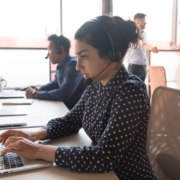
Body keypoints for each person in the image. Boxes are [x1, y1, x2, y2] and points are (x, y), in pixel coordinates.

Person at [0, 15, 158, 180]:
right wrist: (34, 135)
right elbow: (71, 121)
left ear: (112, 54)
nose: (77, 65)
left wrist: (39, 151)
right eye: (78, 56)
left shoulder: (130, 92)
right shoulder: (96, 85)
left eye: (84, 56)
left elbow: (104, 157)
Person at [25, 34, 86, 110]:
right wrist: (39, 88)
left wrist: (36, 94)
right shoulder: (61, 66)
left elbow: (64, 93)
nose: (48, 54)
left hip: (73, 113)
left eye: (50, 49)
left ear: (60, 49)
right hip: (64, 108)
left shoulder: (73, 65)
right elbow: (55, 84)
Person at [125, 13, 159, 82]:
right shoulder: (133, 33)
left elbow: (143, 48)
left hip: (143, 67)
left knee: (141, 89)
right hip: (134, 67)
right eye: (143, 20)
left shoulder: (144, 33)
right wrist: (152, 47)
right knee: (133, 89)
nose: (145, 22)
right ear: (137, 21)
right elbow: (142, 45)